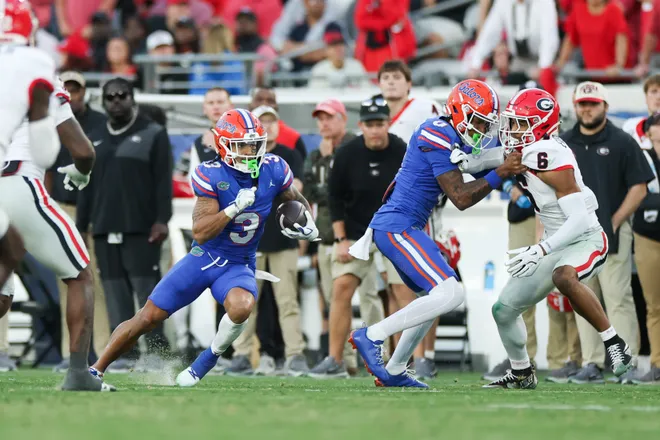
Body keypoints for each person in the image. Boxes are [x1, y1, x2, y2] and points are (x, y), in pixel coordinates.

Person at [86, 109, 319, 386]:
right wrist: (233, 209)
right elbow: (201, 231)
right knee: (148, 317)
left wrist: (308, 222)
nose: (250, 151)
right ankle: (94, 370)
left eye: (254, 144)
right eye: (242, 144)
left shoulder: (274, 168)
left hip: (239, 263)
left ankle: (204, 362)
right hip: (204, 258)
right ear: (223, 145)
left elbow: (293, 198)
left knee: (242, 306)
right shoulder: (211, 174)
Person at [347, 79, 525, 388]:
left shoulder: (452, 133)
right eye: (478, 120)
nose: (482, 129)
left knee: (434, 297)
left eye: (486, 123)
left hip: (405, 226)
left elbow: (480, 162)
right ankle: (372, 335)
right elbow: (461, 197)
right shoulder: (435, 132)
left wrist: (513, 159)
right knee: (450, 292)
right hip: (395, 225)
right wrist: (503, 171)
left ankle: (396, 368)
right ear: (458, 111)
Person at [454, 88, 635, 389]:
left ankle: (614, 342)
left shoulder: (551, 154)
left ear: (541, 127)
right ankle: (522, 372)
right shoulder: (526, 149)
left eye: (520, 124)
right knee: (503, 310)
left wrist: (541, 249)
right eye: (512, 123)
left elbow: (577, 220)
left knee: (564, 277)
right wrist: (459, 158)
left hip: (586, 238)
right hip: (554, 242)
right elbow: (485, 160)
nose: (512, 130)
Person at [0, 0, 113, 392]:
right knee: (80, 273)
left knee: (3, 288)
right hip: (16, 182)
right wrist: (80, 173)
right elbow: (82, 150)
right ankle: (80, 373)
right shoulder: (35, 65)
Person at [78, 77, 173, 372]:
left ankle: (157, 352)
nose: (116, 101)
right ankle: (123, 355)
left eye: (122, 95)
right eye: (110, 97)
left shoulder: (153, 133)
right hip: (104, 227)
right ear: (104, 102)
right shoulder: (93, 136)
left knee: (149, 296)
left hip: (142, 228)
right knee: (115, 294)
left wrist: (161, 220)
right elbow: (86, 185)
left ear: (133, 98)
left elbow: (163, 181)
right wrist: (80, 226)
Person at [561, 81, 653, 384]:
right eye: (582, 104)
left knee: (618, 299)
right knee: (583, 298)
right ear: (575, 106)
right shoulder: (564, 143)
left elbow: (639, 188)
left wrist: (614, 221)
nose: (587, 109)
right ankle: (592, 362)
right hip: (576, 236)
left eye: (593, 103)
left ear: (605, 106)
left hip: (612, 234)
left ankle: (624, 362)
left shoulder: (622, 141)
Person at [310, 97, 405, 378]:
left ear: (388, 124)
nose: (375, 130)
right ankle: (334, 360)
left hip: (394, 230)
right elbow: (334, 198)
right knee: (341, 287)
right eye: (370, 125)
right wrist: (340, 239)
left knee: (401, 293)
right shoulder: (348, 152)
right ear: (361, 125)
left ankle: (400, 362)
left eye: (380, 124)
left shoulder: (401, 149)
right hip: (356, 233)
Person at [226, 105, 309, 377]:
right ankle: (240, 353)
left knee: (288, 301)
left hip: (283, 239)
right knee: (246, 301)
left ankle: (295, 354)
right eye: (262, 122)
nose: (268, 126)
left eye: (272, 121)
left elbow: (294, 191)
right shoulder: (238, 157)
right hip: (250, 242)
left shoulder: (287, 155)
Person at [377, 59, 443, 379]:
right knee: (391, 288)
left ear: (408, 83)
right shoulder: (374, 116)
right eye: (385, 77)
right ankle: (397, 356)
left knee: (427, 284)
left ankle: (423, 355)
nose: (390, 83)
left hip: (421, 207)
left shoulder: (425, 109)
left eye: (396, 77)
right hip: (387, 209)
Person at [44, 70, 110, 373]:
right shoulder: (48, 119)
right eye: (66, 87)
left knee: (95, 279)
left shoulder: (100, 122)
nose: (71, 92)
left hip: (95, 207)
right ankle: (69, 354)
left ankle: (103, 350)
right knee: (70, 279)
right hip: (64, 206)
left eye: (76, 88)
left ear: (85, 91)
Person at [631, 114, 660, 385]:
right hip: (648, 236)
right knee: (653, 304)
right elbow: (635, 193)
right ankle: (657, 362)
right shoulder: (642, 157)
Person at [248, 87, 307, 159]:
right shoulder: (238, 134)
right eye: (259, 100)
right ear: (250, 104)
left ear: (277, 106)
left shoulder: (293, 137)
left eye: (270, 101)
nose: (264, 104)